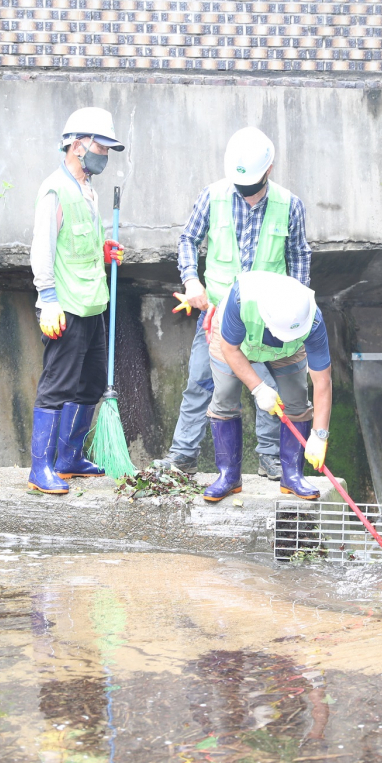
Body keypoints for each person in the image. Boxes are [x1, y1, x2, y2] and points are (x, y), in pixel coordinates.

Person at [151, 127, 313, 481]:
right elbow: (188, 239)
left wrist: (296, 303)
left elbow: (299, 254)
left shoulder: (289, 205)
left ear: (268, 170)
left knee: (270, 389)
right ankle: (183, 457)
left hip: (270, 319)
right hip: (218, 316)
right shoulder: (213, 196)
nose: (246, 191)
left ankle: (271, 459)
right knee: (200, 382)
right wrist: (191, 280)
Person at [27, 107, 127, 494]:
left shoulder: (87, 189)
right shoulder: (55, 189)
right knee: (58, 385)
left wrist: (102, 251)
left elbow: (77, 241)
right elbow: (43, 248)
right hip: (64, 305)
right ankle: (41, 469)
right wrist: (47, 297)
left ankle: (69, 458)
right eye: (101, 147)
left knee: (91, 383)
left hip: (93, 303)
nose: (104, 155)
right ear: (77, 144)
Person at [201, 271, 331, 503]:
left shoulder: (312, 319)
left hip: (288, 351)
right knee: (224, 398)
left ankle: (292, 476)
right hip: (236, 343)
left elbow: (322, 381)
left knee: (297, 399)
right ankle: (228, 476)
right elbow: (230, 350)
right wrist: (258, 388)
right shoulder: (241, 299)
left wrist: (320, 435)